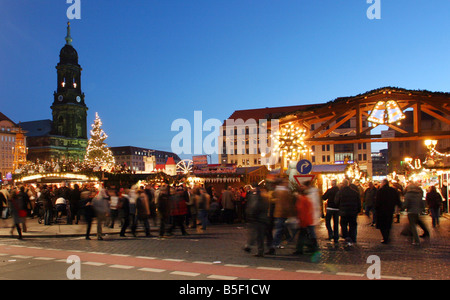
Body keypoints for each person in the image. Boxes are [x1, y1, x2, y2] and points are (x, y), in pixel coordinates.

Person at [243, 184, 270, 257]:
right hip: (259, 218)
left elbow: (254, 206)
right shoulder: (263, 196)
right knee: (258, 234)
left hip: (257, 218)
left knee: (258, 235)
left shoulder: (256, 196)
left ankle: (256, 249)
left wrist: (250, 214)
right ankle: (255, 248)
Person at [271, 178, 296, 251]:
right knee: (280, 229)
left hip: (279, 212)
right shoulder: (284, 192)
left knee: (281, 228)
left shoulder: (277, 191)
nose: (287, 183)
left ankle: (284, 240)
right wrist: (291, 212)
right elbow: (286, 204)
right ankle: (276, 243)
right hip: (282, 213)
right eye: (286, 182)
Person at [335, 179, 361, 246]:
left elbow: (336, 201)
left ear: (343, 184)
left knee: (344, 225)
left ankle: (346, 237)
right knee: (352, 225)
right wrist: (358, 210)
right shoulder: (355, 192)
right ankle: (352, 237)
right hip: (353, 212)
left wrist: (339, 208)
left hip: (344, 212)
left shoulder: (340, 192)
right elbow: (359, 202)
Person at [375, 179, 402, 244]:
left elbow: (377, 201)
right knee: (388, 224)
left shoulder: (380, 191)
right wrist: (399, 205)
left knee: (382, 225)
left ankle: (385, 237)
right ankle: (387, 236)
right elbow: (397, 199)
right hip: (390, 210)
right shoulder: (392, 190)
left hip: (381, 211)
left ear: (383, 183)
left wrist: (376, 208)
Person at [293, 185, 318, 255]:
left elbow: (302, 211)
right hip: (307, 220)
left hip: (304, 221)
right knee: (304, 235)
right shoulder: (306, 199)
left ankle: (310, 248)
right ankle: (308, 248)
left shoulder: (302, 200)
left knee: (303, 236)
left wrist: (302, 221)